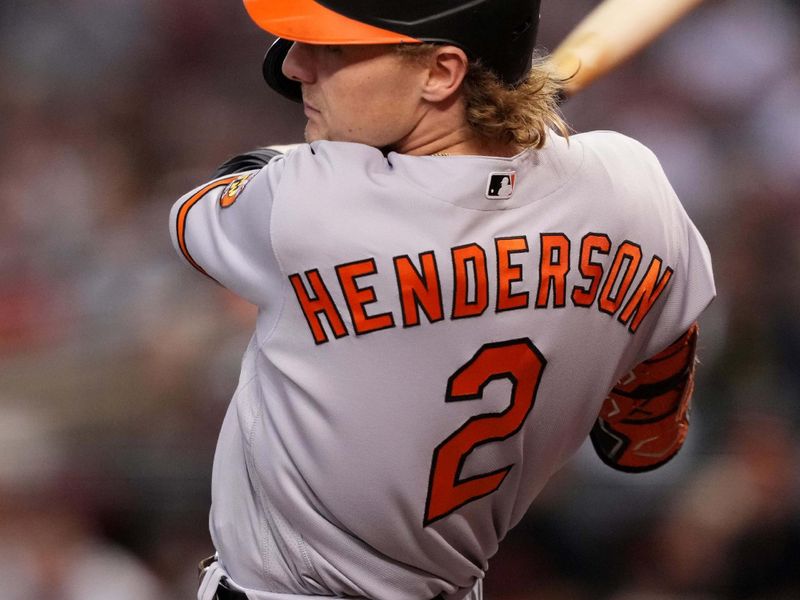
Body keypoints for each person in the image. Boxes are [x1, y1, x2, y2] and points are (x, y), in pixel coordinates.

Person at [170, 2, 715, 599]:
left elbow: (196, 214)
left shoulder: (308, 204)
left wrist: (318, 161)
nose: (297, 65)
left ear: (441, 73)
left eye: (335, 48)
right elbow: (641, 443)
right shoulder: (635, 188)